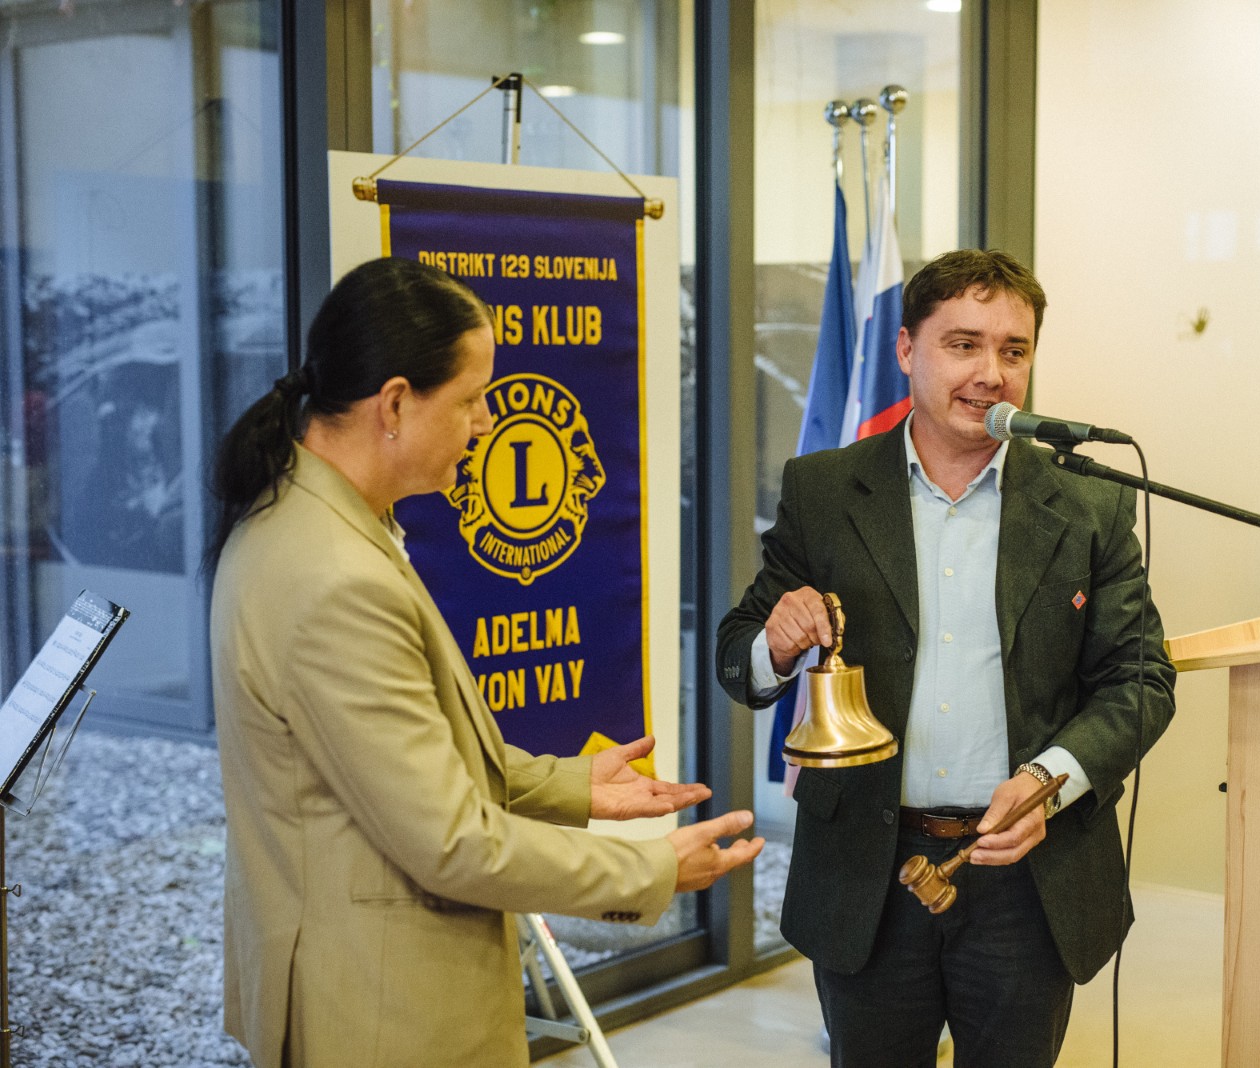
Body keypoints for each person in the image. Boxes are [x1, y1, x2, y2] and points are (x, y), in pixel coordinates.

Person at [208, 257, 762, 1068]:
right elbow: (450, 842)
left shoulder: (315, 519)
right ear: (395, 403)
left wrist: (572, 786)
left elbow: (398, 765)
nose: (484, 424)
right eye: (471, 399)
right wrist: (648, 870)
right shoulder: (333, 577)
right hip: (381, 1012)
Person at [716, 249, 1176, 1067]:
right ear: (905, 349)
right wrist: (774, 643)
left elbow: (1140, 679)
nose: (990, 374)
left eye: (1013, 350)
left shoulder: (1089, 504)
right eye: (963, 344)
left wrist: (1052, 779)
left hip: (1029, 877)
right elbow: (737, 656)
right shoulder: (825, 489)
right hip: (866, 873)